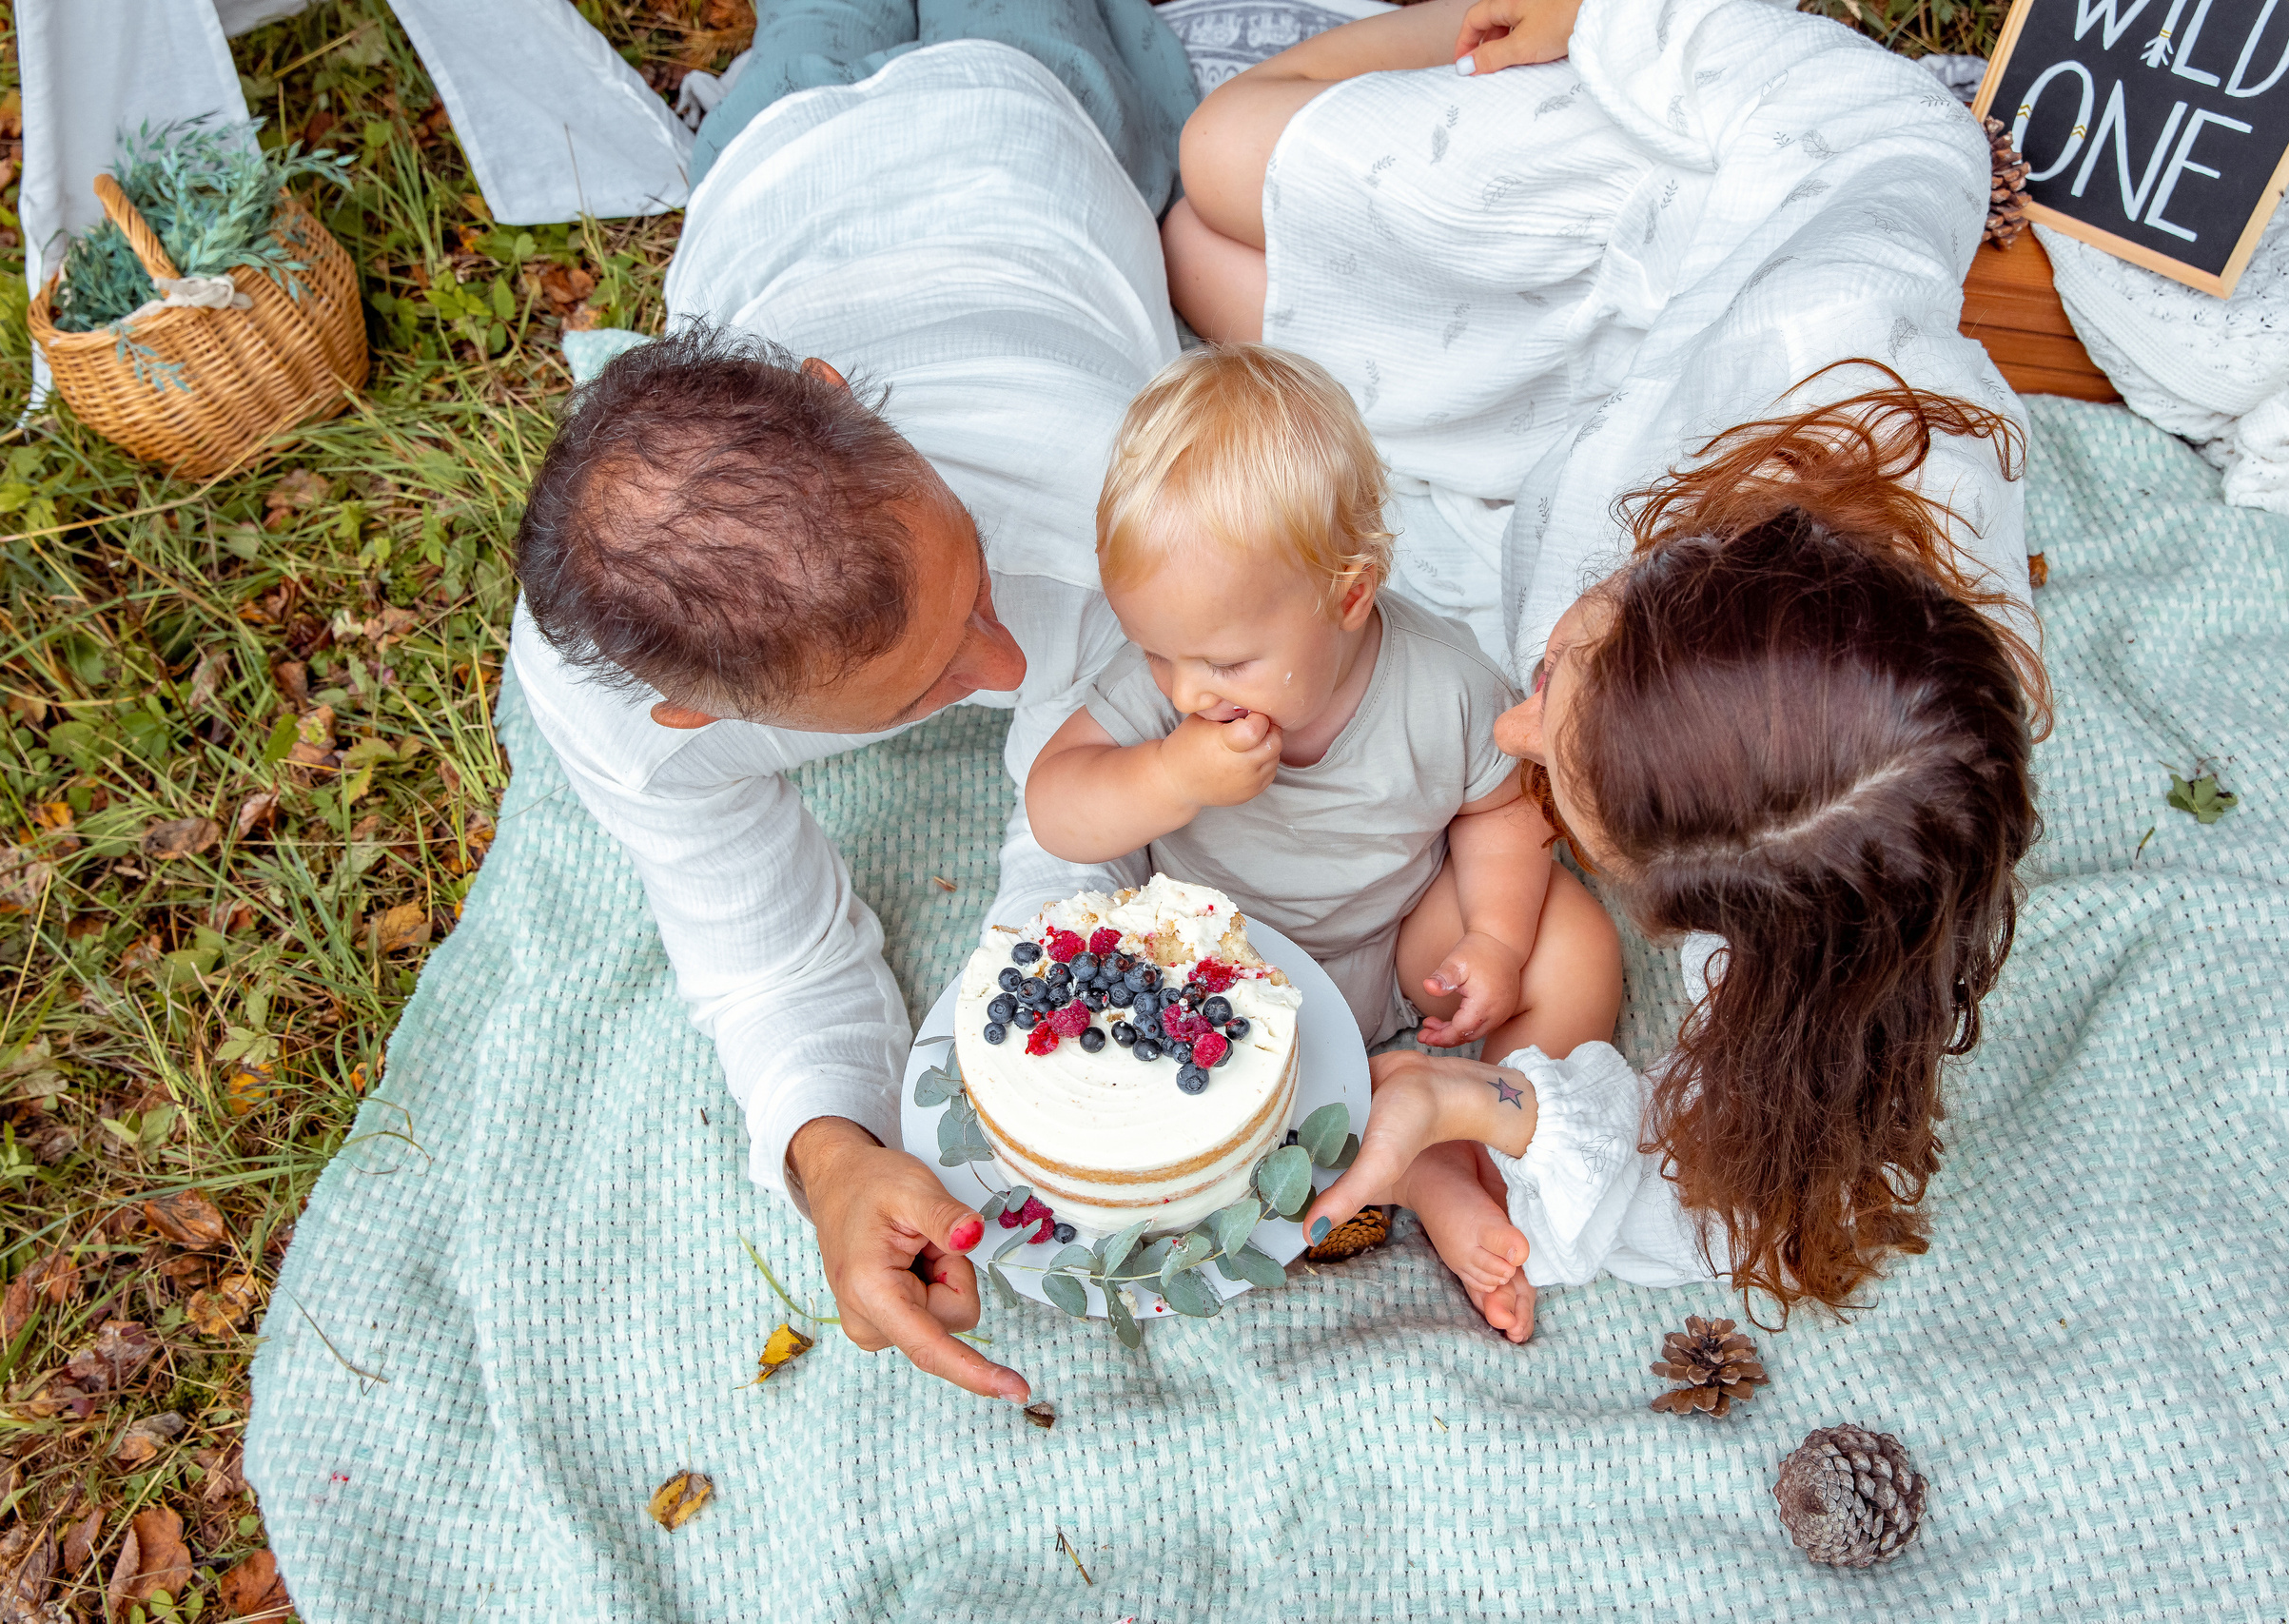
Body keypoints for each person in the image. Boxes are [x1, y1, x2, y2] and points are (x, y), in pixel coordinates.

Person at [1168, 0, 2047, 1340]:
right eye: (1564, 670)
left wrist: (1473, 1100)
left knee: (1198, 273)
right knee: (1219, 159)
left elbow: (1738, 1198)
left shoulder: (1814, 855)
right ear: (1689, 572)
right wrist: (1611, 15)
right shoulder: (1833, 325)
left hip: (1528, 487)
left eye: (1563, 791)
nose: (1506, 726)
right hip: (1642, 246)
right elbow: (1902, 128)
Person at [502, 0, 1196, 1405]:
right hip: (776, 164)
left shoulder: (1120, 492)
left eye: (981, 589)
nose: (1004, 672)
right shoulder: (616, 707)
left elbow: (1083, 815)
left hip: (1019, 108)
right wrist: (833, 1153)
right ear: (699, 718)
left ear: (841, 396)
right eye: (932, 679)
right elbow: (758, 957)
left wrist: (1003, 1037)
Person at [1026, 344, 1621, 1312]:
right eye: (1156, 653)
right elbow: (1055, 802)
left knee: (1574, 938)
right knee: (1157, 1097)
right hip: (1214, 971)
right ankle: (1415, 1165)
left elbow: (1500, 809)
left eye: (1223, 660)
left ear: (1348, 595)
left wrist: (1495, 938)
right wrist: (1165, 775)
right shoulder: (1167, 696)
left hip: (1392, 940)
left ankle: (1463, 1136)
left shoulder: (1442, 681)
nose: (1185, 688)